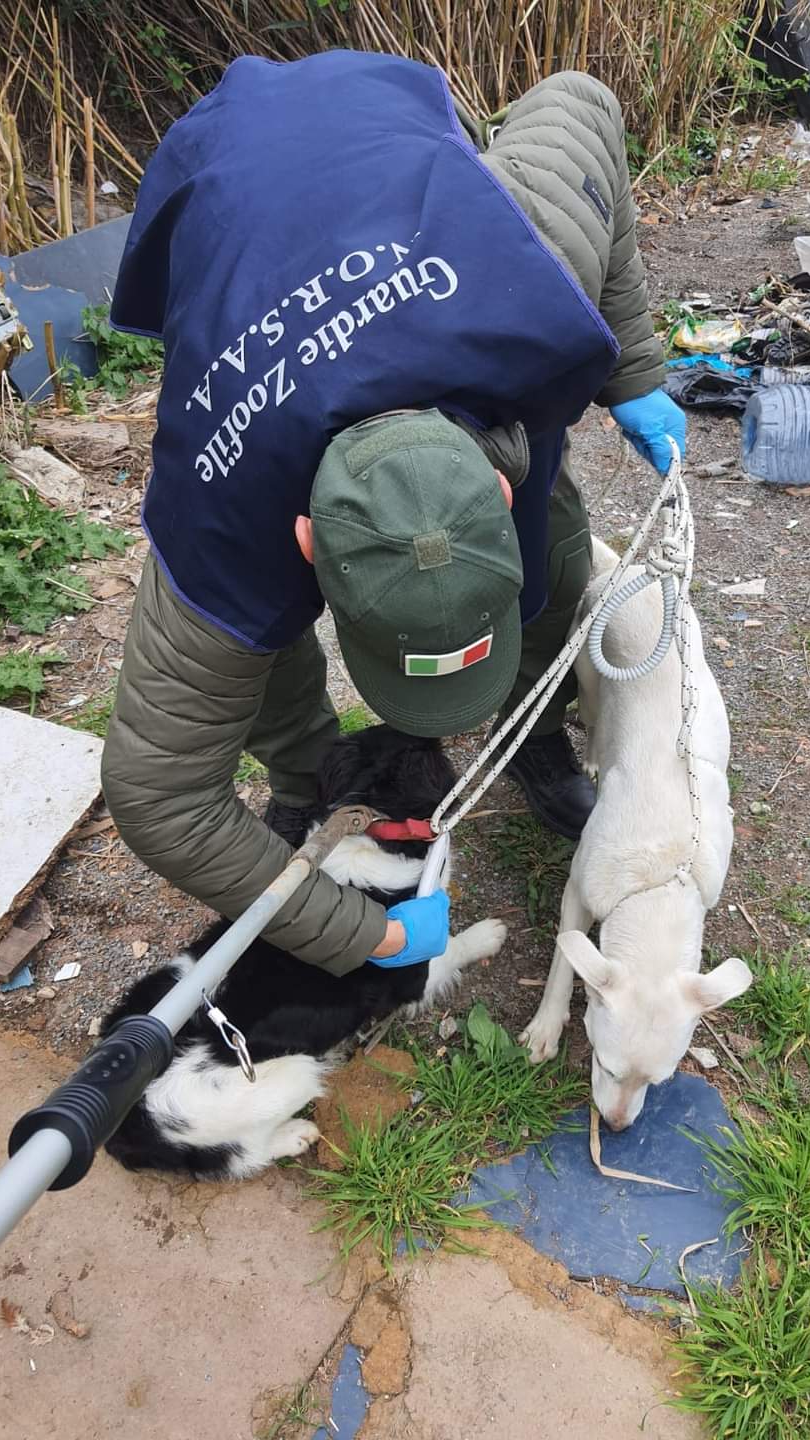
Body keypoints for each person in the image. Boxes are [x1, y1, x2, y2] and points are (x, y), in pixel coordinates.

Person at [100, 50, 685, 978]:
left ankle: (527, 735)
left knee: (560, 558)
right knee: (255, 634)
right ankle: (305, 777)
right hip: (227, 179)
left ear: (496, 491)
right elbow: (157, 796)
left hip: (390, 142)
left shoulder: (531, 260)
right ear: (305, 543)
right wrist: (363, 937)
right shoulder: (219, 509)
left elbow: (581, 102)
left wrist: (635, 372)